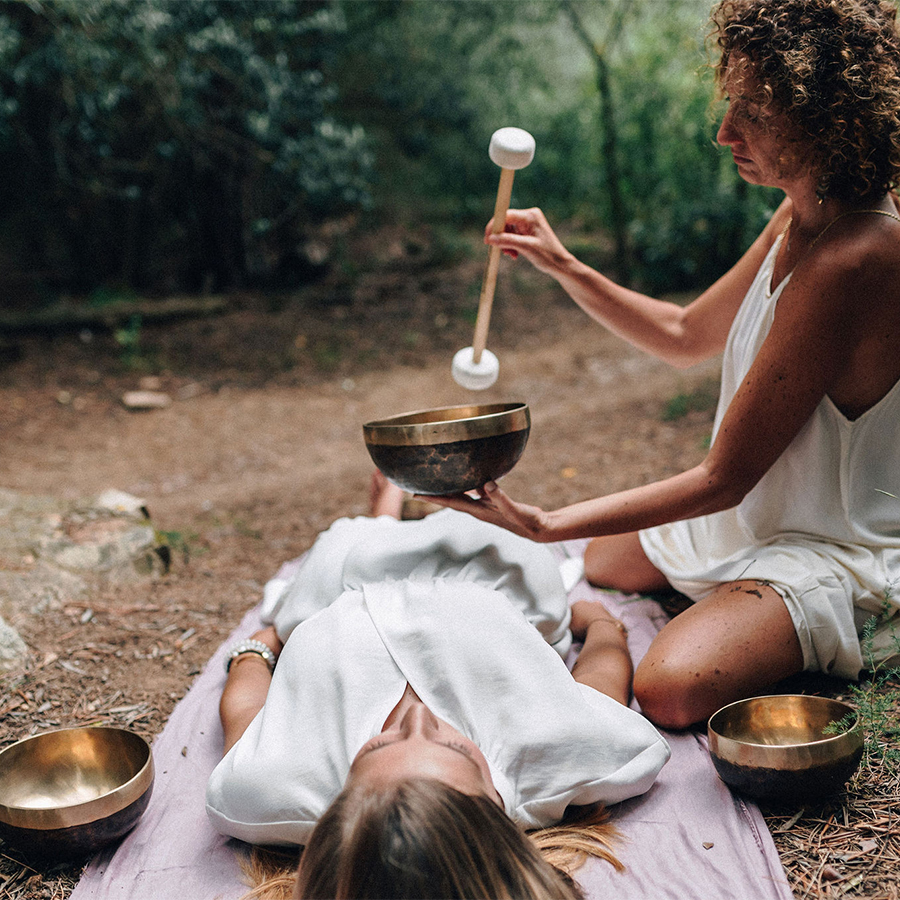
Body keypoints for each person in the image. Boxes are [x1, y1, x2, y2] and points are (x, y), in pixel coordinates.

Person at [426, 0, 900, 731]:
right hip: (758, 514)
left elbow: (723, 477)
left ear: (823, 117)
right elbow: (685, 333)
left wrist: (545, 523)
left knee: (671, 686)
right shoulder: (799, 212)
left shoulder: (858, 255)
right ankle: (746, 602)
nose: (724, 133)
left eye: (752, 112)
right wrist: (564, 266)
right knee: (608, 563)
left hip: (839, 546)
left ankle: (843, 620)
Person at [206, 475, 670, 900]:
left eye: (376, 747)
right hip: (487, 583)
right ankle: (414, 510)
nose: (419, 718)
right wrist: (605, 626)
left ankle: (382, 514)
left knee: (339, 545)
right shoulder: (566, 759)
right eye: (457, 748)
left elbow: (245, 711)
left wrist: (254, 650)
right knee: (490, 530)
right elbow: (600, 684)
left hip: (338, 594)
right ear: (496, 802)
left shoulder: (269, 792)